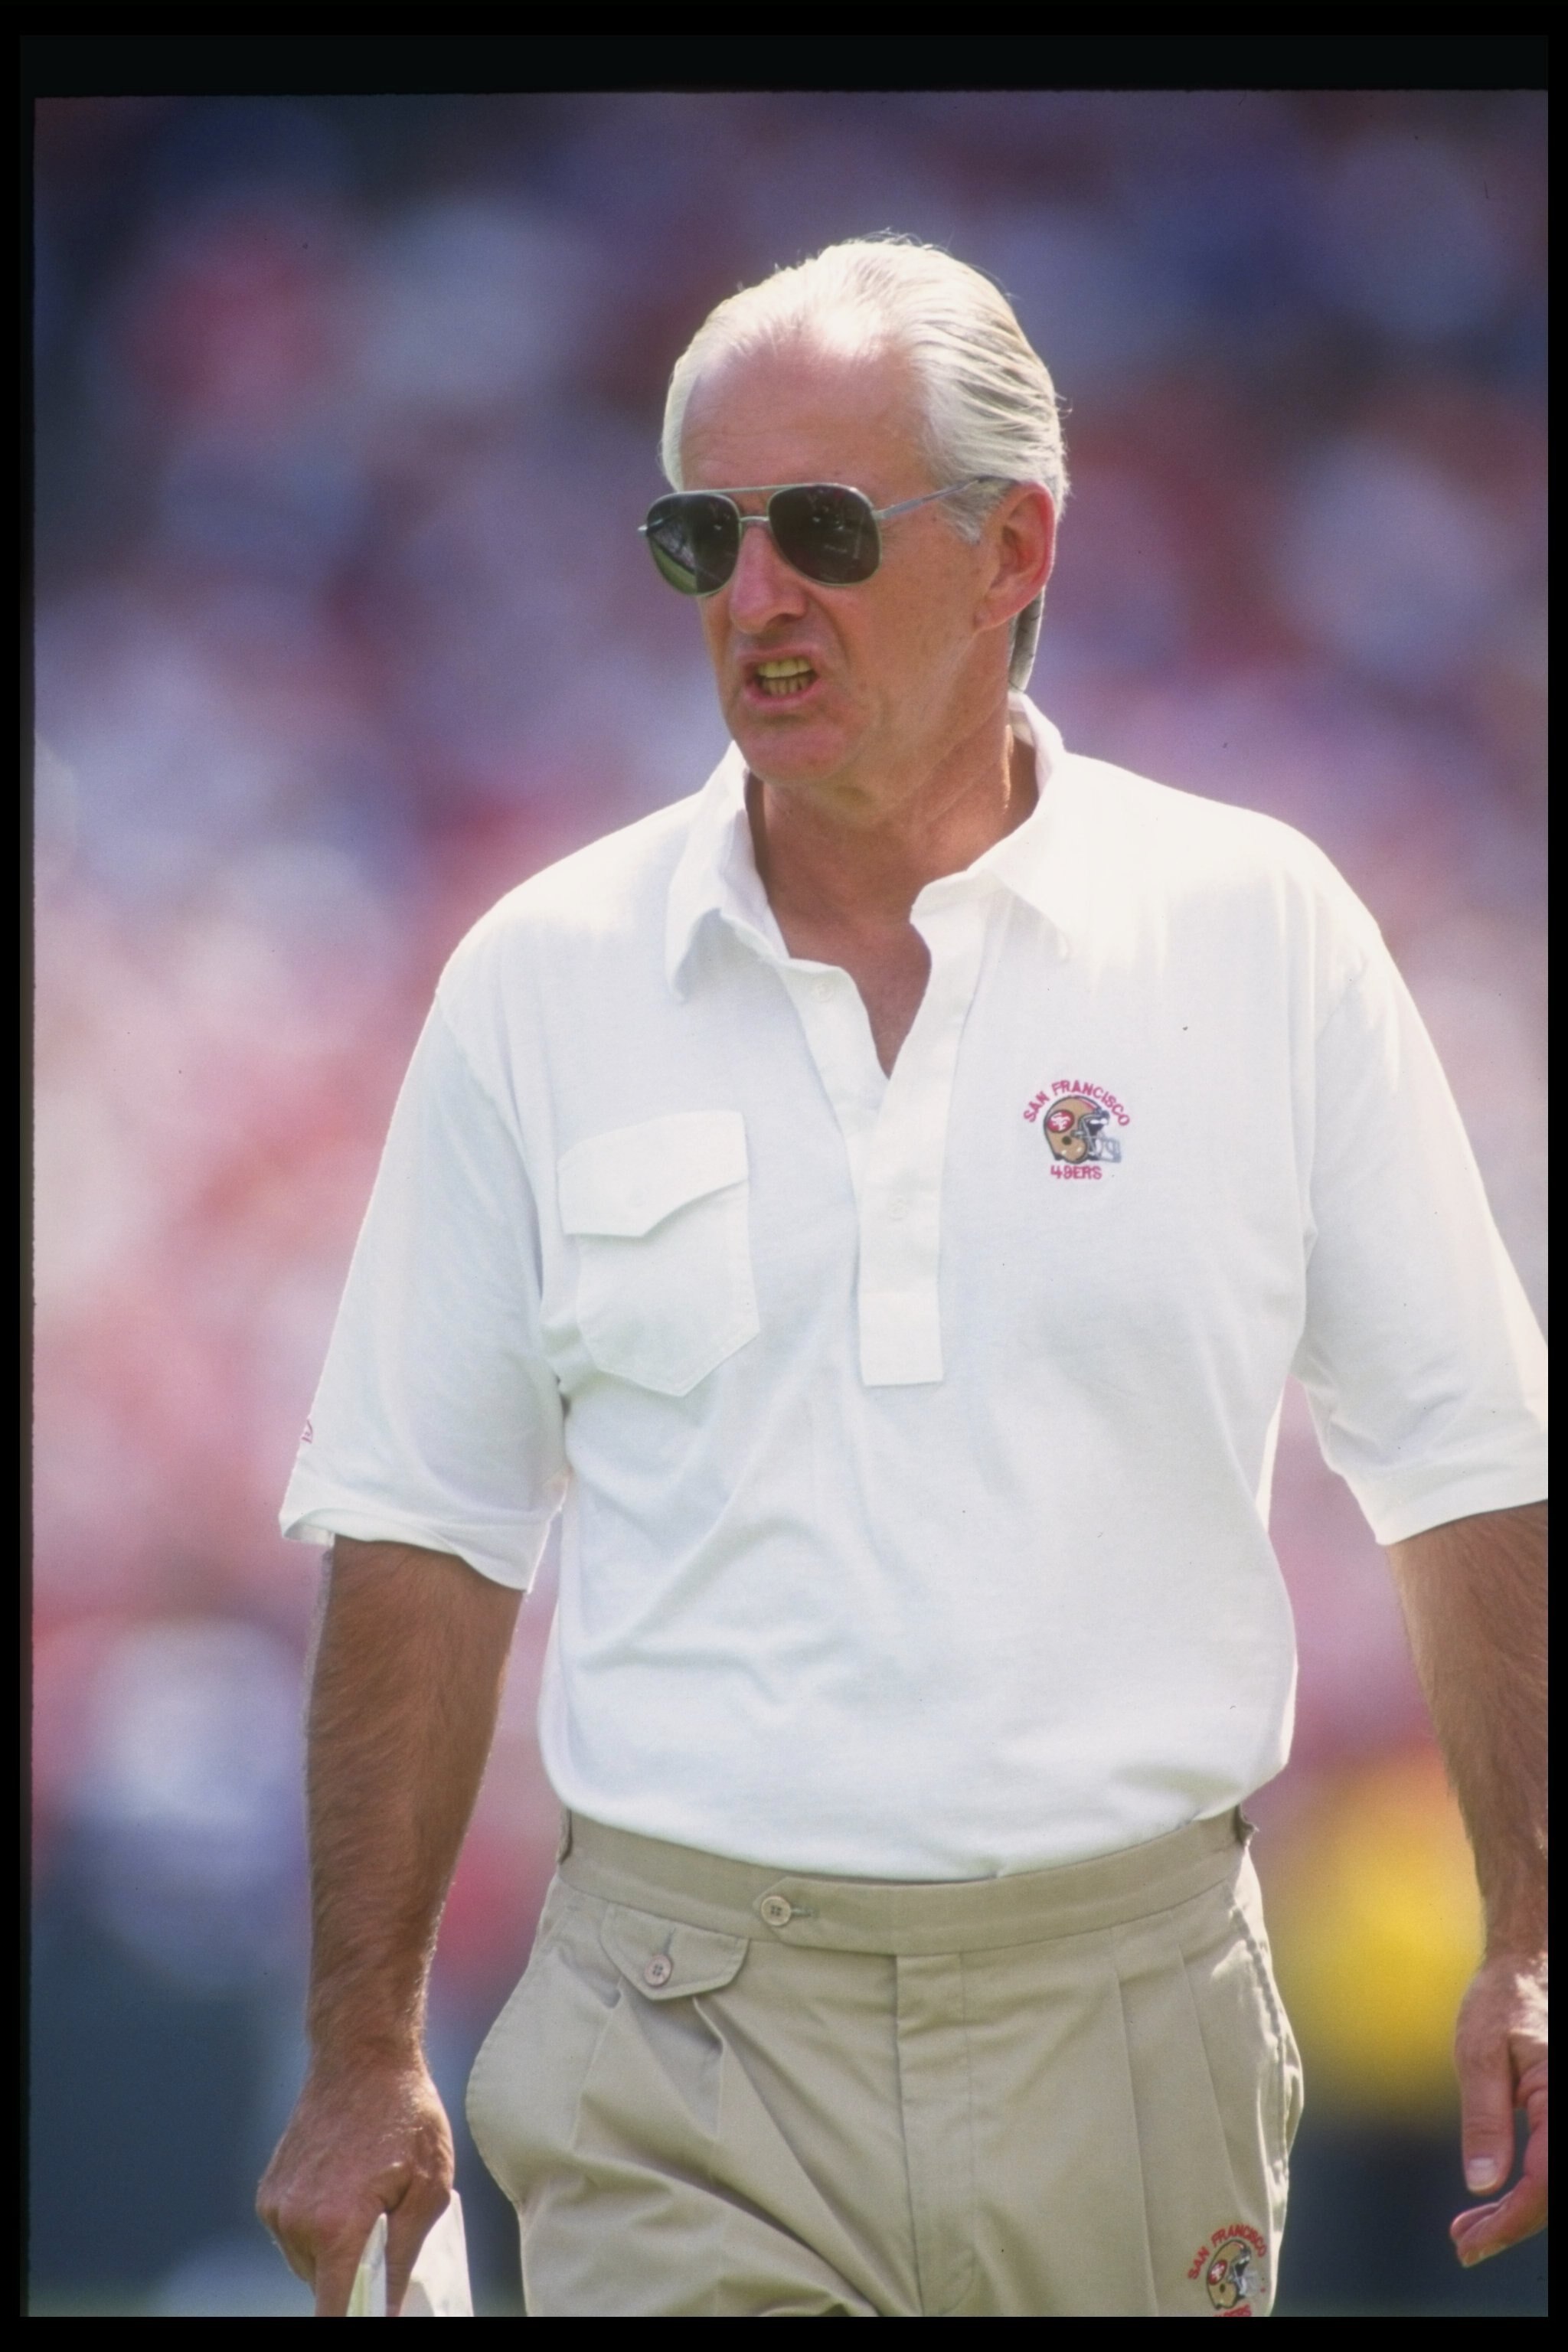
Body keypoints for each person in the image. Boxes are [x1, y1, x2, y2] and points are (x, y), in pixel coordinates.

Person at [257, 239, 1547, 2318]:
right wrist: (360, 2050)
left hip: (1135, 2022)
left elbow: (1467, 1449)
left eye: (826, 533)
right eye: (705, 537)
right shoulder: (540, 979)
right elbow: (425, 1522)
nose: (754, 599)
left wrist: (1534, 1926)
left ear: (1014, 547)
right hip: (678, 2029)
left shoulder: (1261, 927)